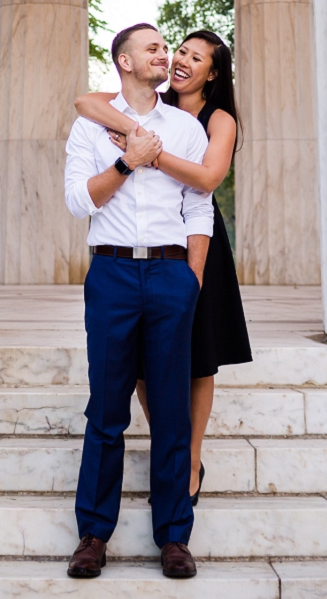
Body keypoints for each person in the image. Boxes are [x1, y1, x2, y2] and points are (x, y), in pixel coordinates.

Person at [74, 29, 251, 504]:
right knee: (141, 371)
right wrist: (137, 138)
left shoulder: (214, 120)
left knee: (199, 356)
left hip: (194, 247)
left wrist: (150, 155)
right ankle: (170, 456)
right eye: (180, 52)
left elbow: (208, 181)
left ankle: (188, 463)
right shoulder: (152, 107)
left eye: (197, 58)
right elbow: (87, 103)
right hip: (130, 258)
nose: (180, 60)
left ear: (212, 74)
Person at [64, 22, 214, 581]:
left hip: (172, 277)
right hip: (112, 274)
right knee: (106, 411)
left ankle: (174, 537)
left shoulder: (185, 127)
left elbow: (199, 207)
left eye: (164, 47)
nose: (164, 54)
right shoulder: (89, 128)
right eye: (152, 48)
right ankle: (93, 535)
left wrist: (192, 281)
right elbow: (79, 202)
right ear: (125, 62)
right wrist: (128, 160)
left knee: (171, 412)